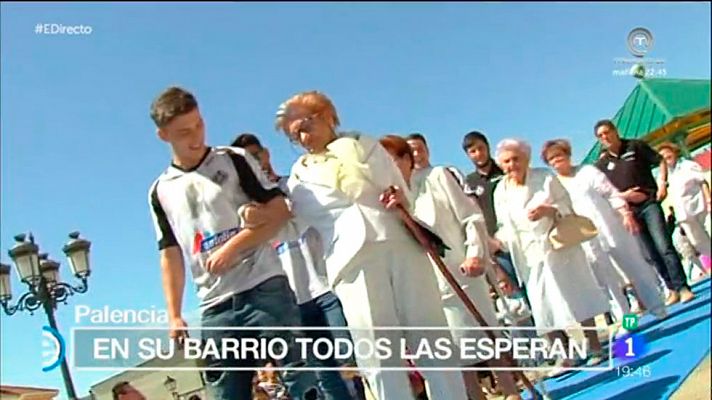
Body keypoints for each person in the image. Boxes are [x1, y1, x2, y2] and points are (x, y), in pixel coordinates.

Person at [274, 90, 469, 400]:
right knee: (378, 352)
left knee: (431, 336)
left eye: (305, 126)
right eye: (294, 135)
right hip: (351, 261)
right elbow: (290, 225)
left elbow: (402, 189)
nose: (302, 138)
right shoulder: (298, 177)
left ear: (326, 116)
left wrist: (399, 198)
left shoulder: (368, 145)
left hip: (400, 241)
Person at [147, 87, 317, 400]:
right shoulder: (160, 191)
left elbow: (280, 211)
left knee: (300, 377)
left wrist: (234, 246)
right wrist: (173, 313)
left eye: (199, 125)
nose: (196, 137)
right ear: (163, 135)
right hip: (214, 304)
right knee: (225, 392)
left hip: (263, 285)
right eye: (184, 132)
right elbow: (169, 252)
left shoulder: (234, 160)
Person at [379, 134, 521, 400]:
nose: (390, 165)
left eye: (394, 158)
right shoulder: (389, 200)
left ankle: (512, 393)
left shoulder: (438, 177)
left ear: (406, 159)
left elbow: (471, 218)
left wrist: (476, 254)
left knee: (486, 339)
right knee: (454, 352)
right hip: (427, 287)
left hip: (462, 272)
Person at [233, 133, 356, 400]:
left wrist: (275, 214)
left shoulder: (297, 185)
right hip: (290, 302)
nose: (256, 163)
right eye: (247, 160)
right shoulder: (245, 211)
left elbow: (294, 217)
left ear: (267, 153)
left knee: (350, 358)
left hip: (326, 286)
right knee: (323, 373)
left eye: (257, 155)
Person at [493, 138, 610, 368]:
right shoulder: (500, 191)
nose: (512, 165)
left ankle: (595, 345)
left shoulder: (545, 177)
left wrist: (548, 210)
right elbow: (504, 226)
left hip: (558, 246)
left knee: (577, 294)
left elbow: (568, 207)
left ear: (526, 158)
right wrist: (496, 243)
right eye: (506, 161)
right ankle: (565, 354)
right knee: (542, 305)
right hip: (528, 256)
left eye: (516, 159)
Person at [541, 139, 666, 321]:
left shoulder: (587, 172)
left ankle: (656, 306)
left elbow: (611, 193)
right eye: (551, 159)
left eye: (559, 155)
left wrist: (625, 213)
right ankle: (626, 319)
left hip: (611, 228)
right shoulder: (552, 185)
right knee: (607, 281)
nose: (556, 160)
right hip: (586, 239)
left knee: (635, 267)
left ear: (568, 155)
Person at [594, 120, 695, 305]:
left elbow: (660, 160)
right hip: (629, 212)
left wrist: (662, 183)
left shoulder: (635, 146)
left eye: (607, 132)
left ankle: (683, 287)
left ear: (615, 131)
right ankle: (671, 288)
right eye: (600, 136)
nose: (605, 137)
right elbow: (604, 192)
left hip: (649, 203)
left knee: (663, 245)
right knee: (650, 253)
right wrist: (625, 196)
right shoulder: (601, 165)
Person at [461, 131, 521, 291]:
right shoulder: (470, 182)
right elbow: (473, 214)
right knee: (515, 292)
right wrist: (488, 241)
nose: (478, 154)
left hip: (520, 236)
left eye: (481, 148)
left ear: (487, 147)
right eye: (473, 151)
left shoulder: (505, 169)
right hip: (497, 246)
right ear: (468, 155)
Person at [658, 142, 711, 268]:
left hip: (700, 207)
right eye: (662, 157)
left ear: (674, 152)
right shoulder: (663, 176)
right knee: (698, 242)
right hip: (684, 215)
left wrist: (709, 200)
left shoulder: (688, 165)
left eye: (668, 154)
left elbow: (702, 182)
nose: (666, 157)